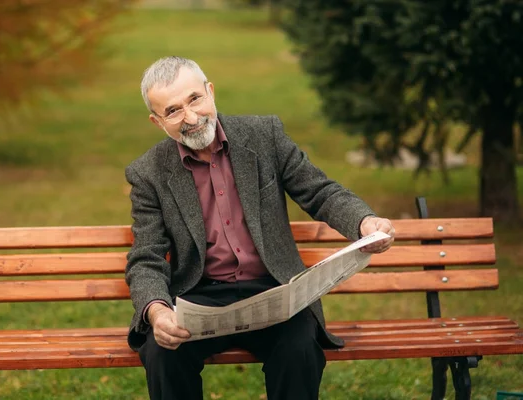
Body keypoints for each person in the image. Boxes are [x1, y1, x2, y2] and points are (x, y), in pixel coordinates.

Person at [125, 56, 395, 400]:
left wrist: (363, 222)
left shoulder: (263, 135)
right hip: (200, 296)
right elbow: (146, 255)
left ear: (211, 91)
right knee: (162, 353)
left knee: (299, 351)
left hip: (274, 292)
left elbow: (319, 192)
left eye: (195, 99)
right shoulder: (147, 173)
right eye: (173, 111)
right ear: (157, 121)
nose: (191, 118)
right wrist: (157, 310)